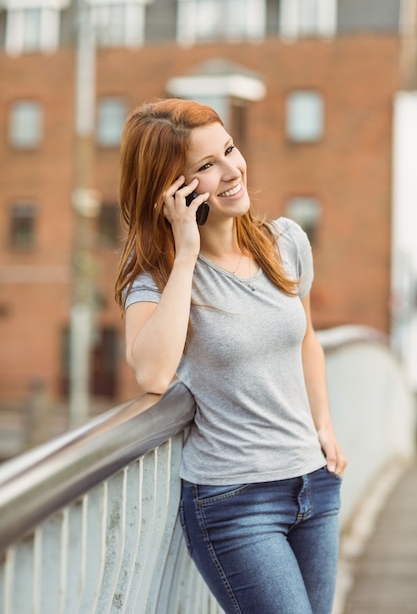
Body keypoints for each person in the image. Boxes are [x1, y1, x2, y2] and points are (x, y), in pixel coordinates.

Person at [115, 97, 347, 614]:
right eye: (205, 166)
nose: (231, 170)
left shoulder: (284, 242)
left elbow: (307, 338)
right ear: (170, 190)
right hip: (235, 502)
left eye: (229, 149)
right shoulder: (156, 275)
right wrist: (188, 250)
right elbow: (152, 373)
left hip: (314, 484)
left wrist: (324, 424)